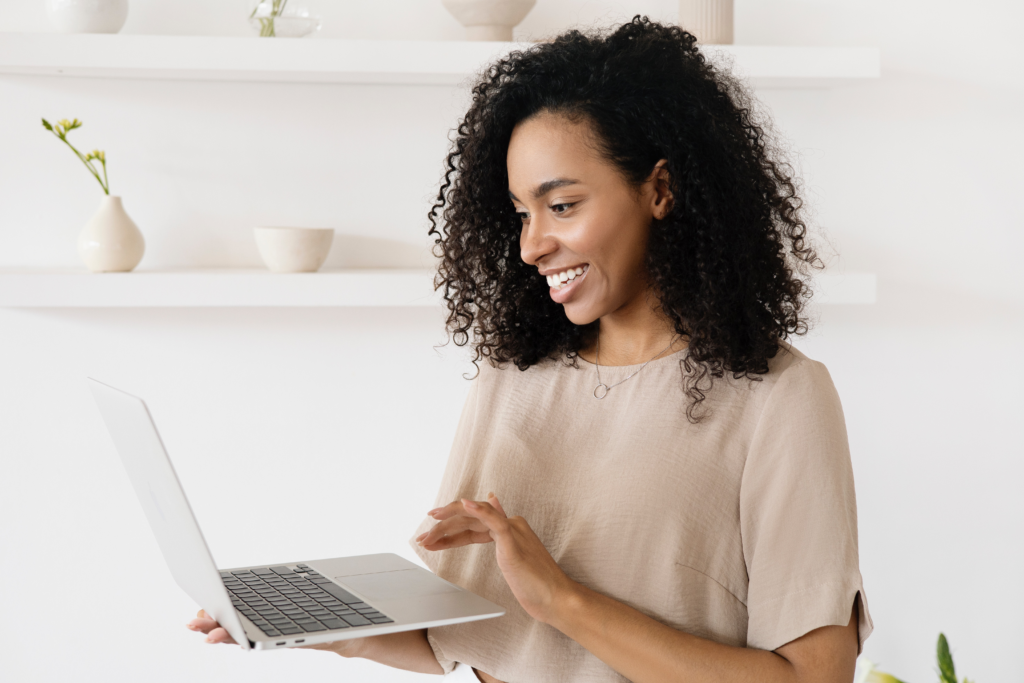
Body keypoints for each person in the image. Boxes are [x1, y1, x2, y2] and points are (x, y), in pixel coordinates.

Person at [188, 15, 873, 683]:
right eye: (521, 213)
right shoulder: (512, 377)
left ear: (659, 189)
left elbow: (816, 675)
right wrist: (332, 625)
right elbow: (465, 633)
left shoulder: (778, 397)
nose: (532, 244)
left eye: (563, 206)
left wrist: (564, 601)